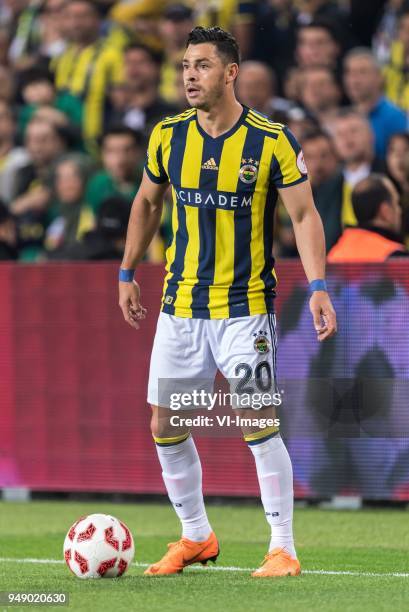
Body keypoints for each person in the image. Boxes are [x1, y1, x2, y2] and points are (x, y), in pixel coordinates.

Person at [118, 26, 337, 578]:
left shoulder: (271, 140)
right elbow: (147, 203)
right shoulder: (168, 136)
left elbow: (305, 216)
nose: (190, 75)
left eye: (203, 65)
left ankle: (283, 547)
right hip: (179, 306)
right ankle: (196, 537)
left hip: (245, 309)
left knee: (256, 419)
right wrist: (126, 271)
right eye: (186, 65)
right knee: (165, 423)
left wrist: (317, 286)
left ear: (231, 73)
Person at [343, 47, 407, 158]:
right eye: (350, 73)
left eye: (362, 72)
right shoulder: (345, 117)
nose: (354, 80)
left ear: (380, 77)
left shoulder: (395, 117)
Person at [328, 173, 408, 261]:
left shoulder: (335, 253)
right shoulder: (397, 259)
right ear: (385, 211)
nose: (399, 211)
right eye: (396, 203)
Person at [328, 108, 385, 227]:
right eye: (340, 134)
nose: (347, 139)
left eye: (353, 131)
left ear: (371, 135)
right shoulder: (328, 187)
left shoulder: (390, 175)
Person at [85, 126, 144, 214]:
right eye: (112, 151)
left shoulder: (152, 181)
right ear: (102, 154)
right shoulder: (97, 184)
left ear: (138, 152)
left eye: (127, 150)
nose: (120, 159)